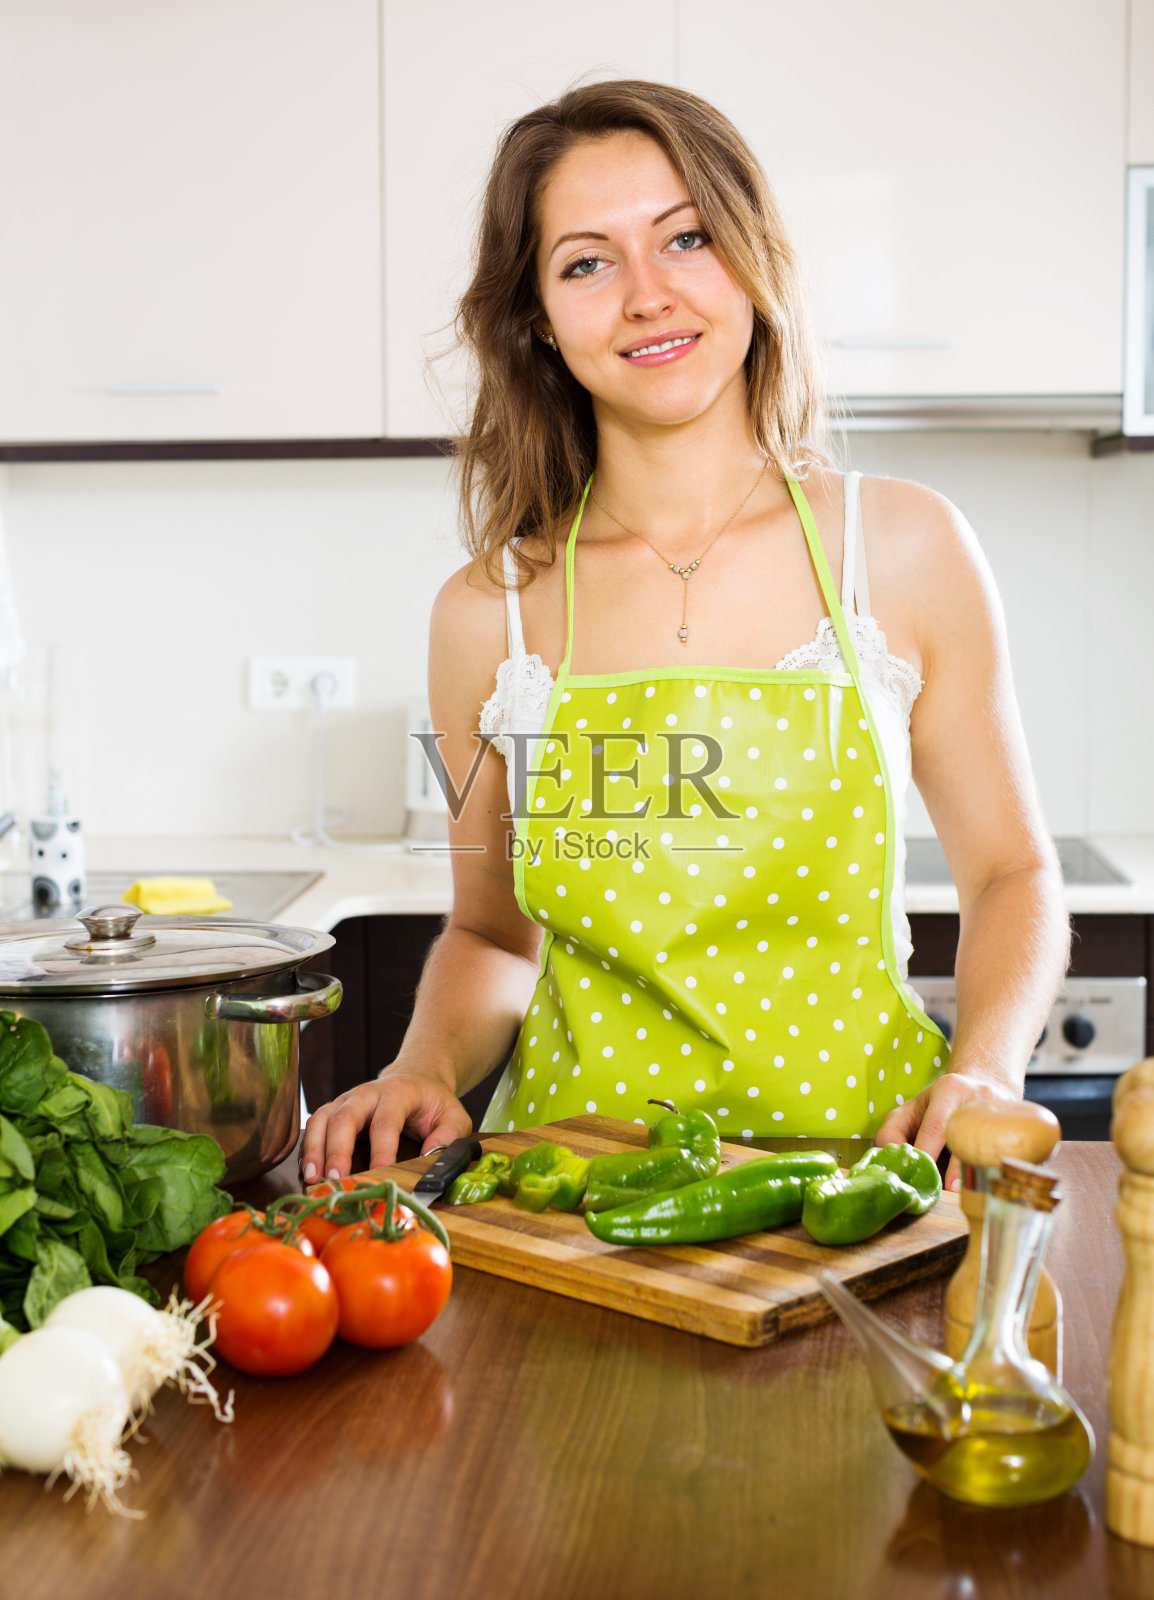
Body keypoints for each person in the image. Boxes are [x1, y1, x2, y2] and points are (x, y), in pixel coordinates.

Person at [301, 79, 1068, 1191]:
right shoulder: (489, 612)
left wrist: (987, 1067)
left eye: (685, 237)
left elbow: (1008, 872)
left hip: (865, 1181)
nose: (646, 294)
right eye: (585, 262)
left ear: (749, 258)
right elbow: (491, 938)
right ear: (536, 320)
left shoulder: (899, 548)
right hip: (575, 1203)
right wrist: (421, 1064)